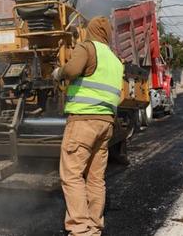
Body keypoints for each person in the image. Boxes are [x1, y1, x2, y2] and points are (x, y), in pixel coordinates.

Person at [52, 16, 124, 236]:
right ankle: (94, 226)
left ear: (90, 31)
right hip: (106, 123)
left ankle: (81, 230)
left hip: (83, 121)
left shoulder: (87, 47)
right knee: (95, 178)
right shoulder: (115, 59)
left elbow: (72, 70)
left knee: (72, 175)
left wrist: (59, 73)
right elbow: (119, 95)